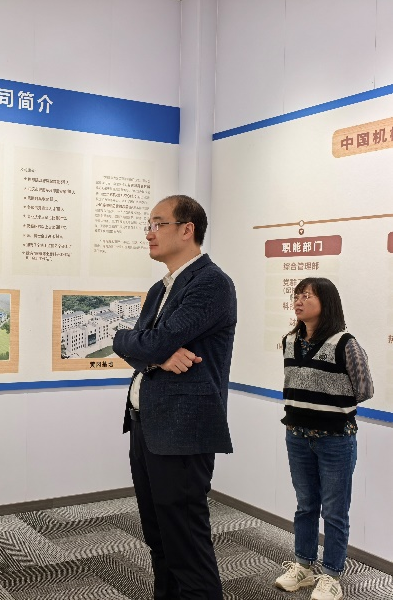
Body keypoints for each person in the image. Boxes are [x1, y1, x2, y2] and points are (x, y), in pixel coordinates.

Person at [113, 195, 236, 600]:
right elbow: (131, 344)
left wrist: (150, 347)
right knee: (158, 537)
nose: (149, 233)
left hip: (183, 431)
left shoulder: (211, 283)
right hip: (147, 425)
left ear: (187, 229)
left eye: (158, 223)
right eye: (148, 225)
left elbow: (148, 341)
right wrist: (158, 355)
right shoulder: (160, 288)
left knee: (186, 544)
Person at [274, 278, 373, 600]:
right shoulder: (290, 340)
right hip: (296, 436)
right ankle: (303, 566)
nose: (299, 301)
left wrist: (330, 402)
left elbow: (365, 389)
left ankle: (331, 575)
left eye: (307, 296)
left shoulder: (346, 343)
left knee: (334, 511)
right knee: (305, 506)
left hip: (335, 441)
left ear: (326, 302)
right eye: (297, 295)